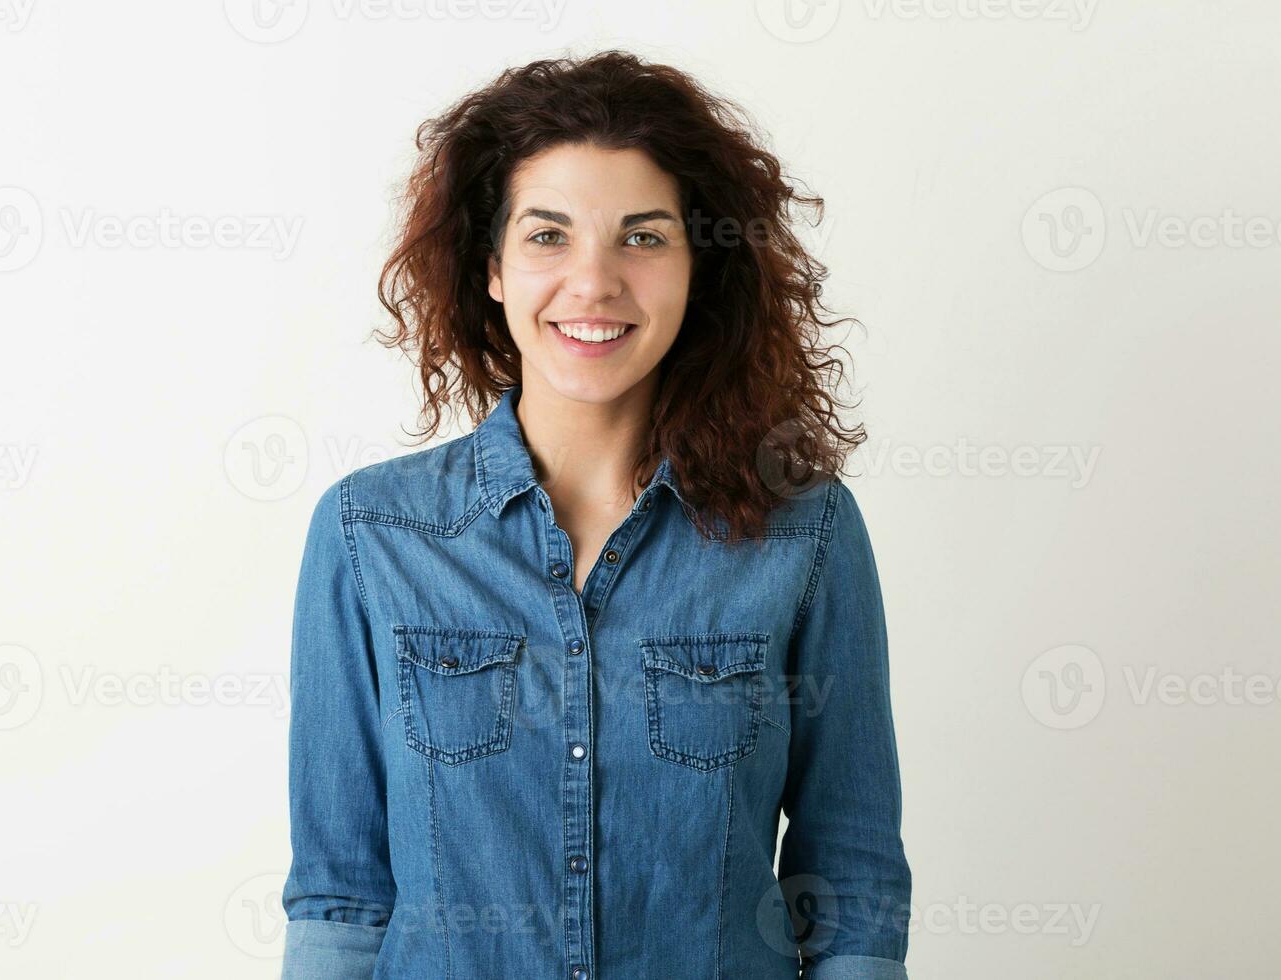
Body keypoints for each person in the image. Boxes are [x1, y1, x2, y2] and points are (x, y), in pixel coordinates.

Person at [279, 49, 911, 980]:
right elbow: (341, 895)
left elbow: (850, 885)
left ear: (701, 270)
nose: (594, 282)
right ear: (490, 267)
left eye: (643, 237)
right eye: (548, 236)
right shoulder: (371, 535)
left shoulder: (805, 535)